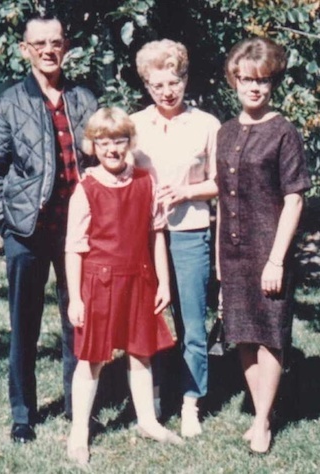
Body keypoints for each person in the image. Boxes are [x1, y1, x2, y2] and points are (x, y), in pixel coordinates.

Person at [0, 16, 97, 443]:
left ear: (66, 47)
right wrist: (4, 220)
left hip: (78, 232)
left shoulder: (84, 100)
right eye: (39, 43)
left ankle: (76, 404)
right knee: (24, 324)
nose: (49, 50)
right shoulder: (6, 105)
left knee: (78, 320)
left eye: (56, 42)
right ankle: (23, 415)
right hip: (27, 231)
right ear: (25, 50)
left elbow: (102, 157)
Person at [65, 107, 182, 466]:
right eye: (103, 142)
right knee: (92, 358)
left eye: (119, 141)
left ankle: (147, 420)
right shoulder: (86, 188)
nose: (112, 149)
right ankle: (79, 432)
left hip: (140, 279)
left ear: (129, 142)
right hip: (99, 283)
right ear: (92, 145)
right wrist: (75, 298)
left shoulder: (145, 181)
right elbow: (74, 247)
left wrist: (162, 280)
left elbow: (156, 233)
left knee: (141, 352)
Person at [216, 37, 311, 454]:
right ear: (233, 81)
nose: (255, 87)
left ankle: (261, 422)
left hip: (269, 250)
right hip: (233, 252)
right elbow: (222, 194)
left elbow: (295, 197)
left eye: (263, 80)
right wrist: (221, 261)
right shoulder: (225, 132)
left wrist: (276, 259)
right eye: (246, 79)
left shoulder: (283, 131)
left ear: (273, 83)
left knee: (270, 334)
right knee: (242, 334)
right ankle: (262, 412)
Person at [131, 39, 220, 437]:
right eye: (157, 85)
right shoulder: (134, 124)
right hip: (143, 235)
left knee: (192, 322)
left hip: (189, 230)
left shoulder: (206, 124)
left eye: (174, 82)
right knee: (144, 317)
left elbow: (221, 182)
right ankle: (148, 399)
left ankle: (189, 402)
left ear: (185, 79)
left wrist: (186, 192)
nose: (167, 92)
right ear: (146, 86)